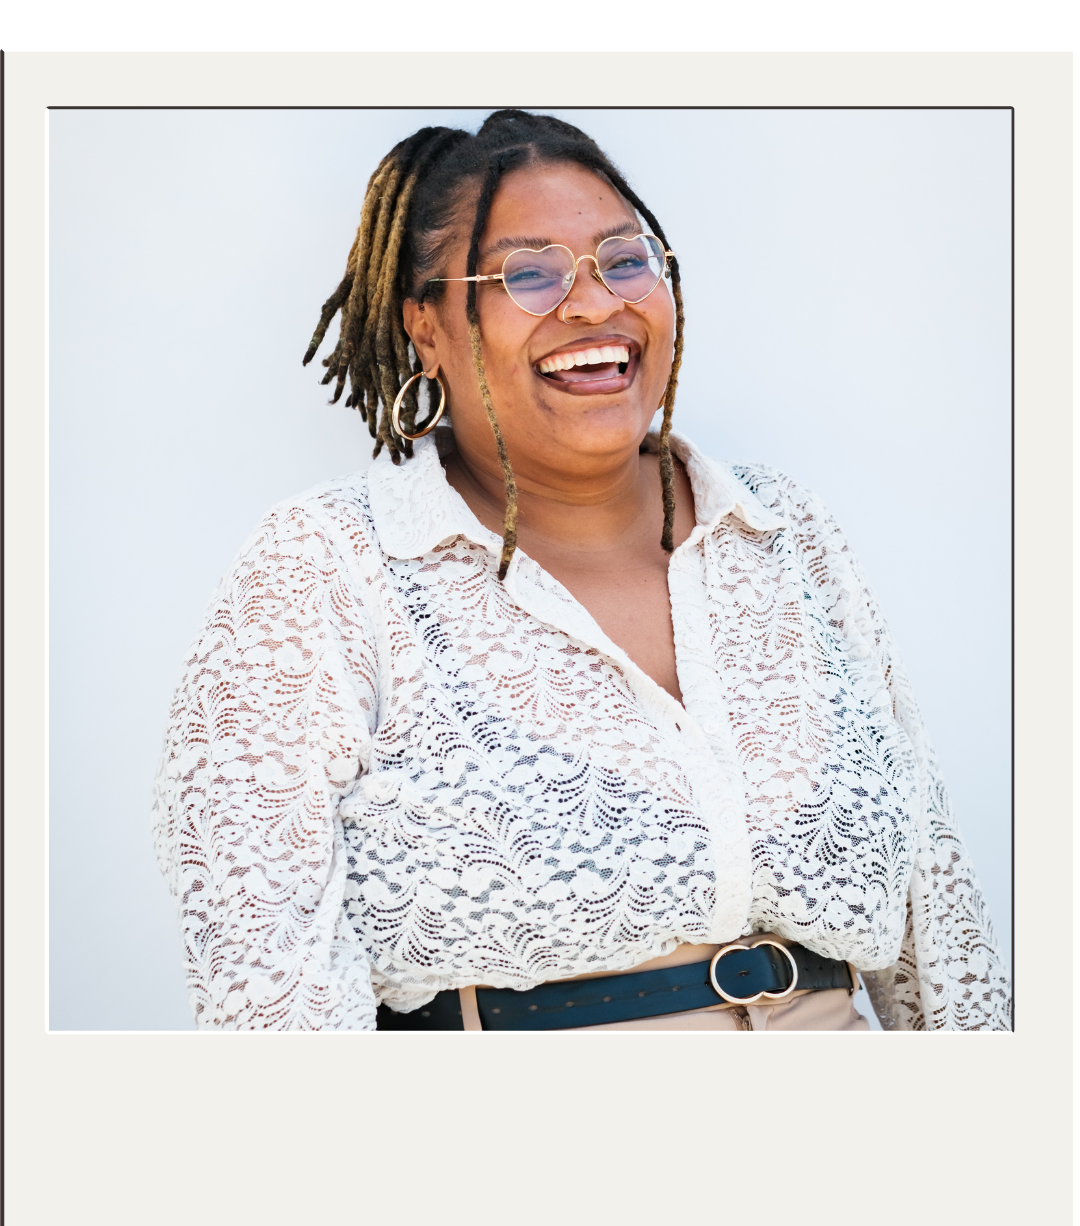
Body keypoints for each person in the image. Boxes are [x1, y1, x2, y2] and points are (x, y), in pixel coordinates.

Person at [152, 110, 1011, 1032]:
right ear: (426, 328)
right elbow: (268, 1005)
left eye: (625, 260)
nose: (596, 304)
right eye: (528, 274)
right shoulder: (327, 569)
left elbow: (942, 938)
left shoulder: (785, 533)